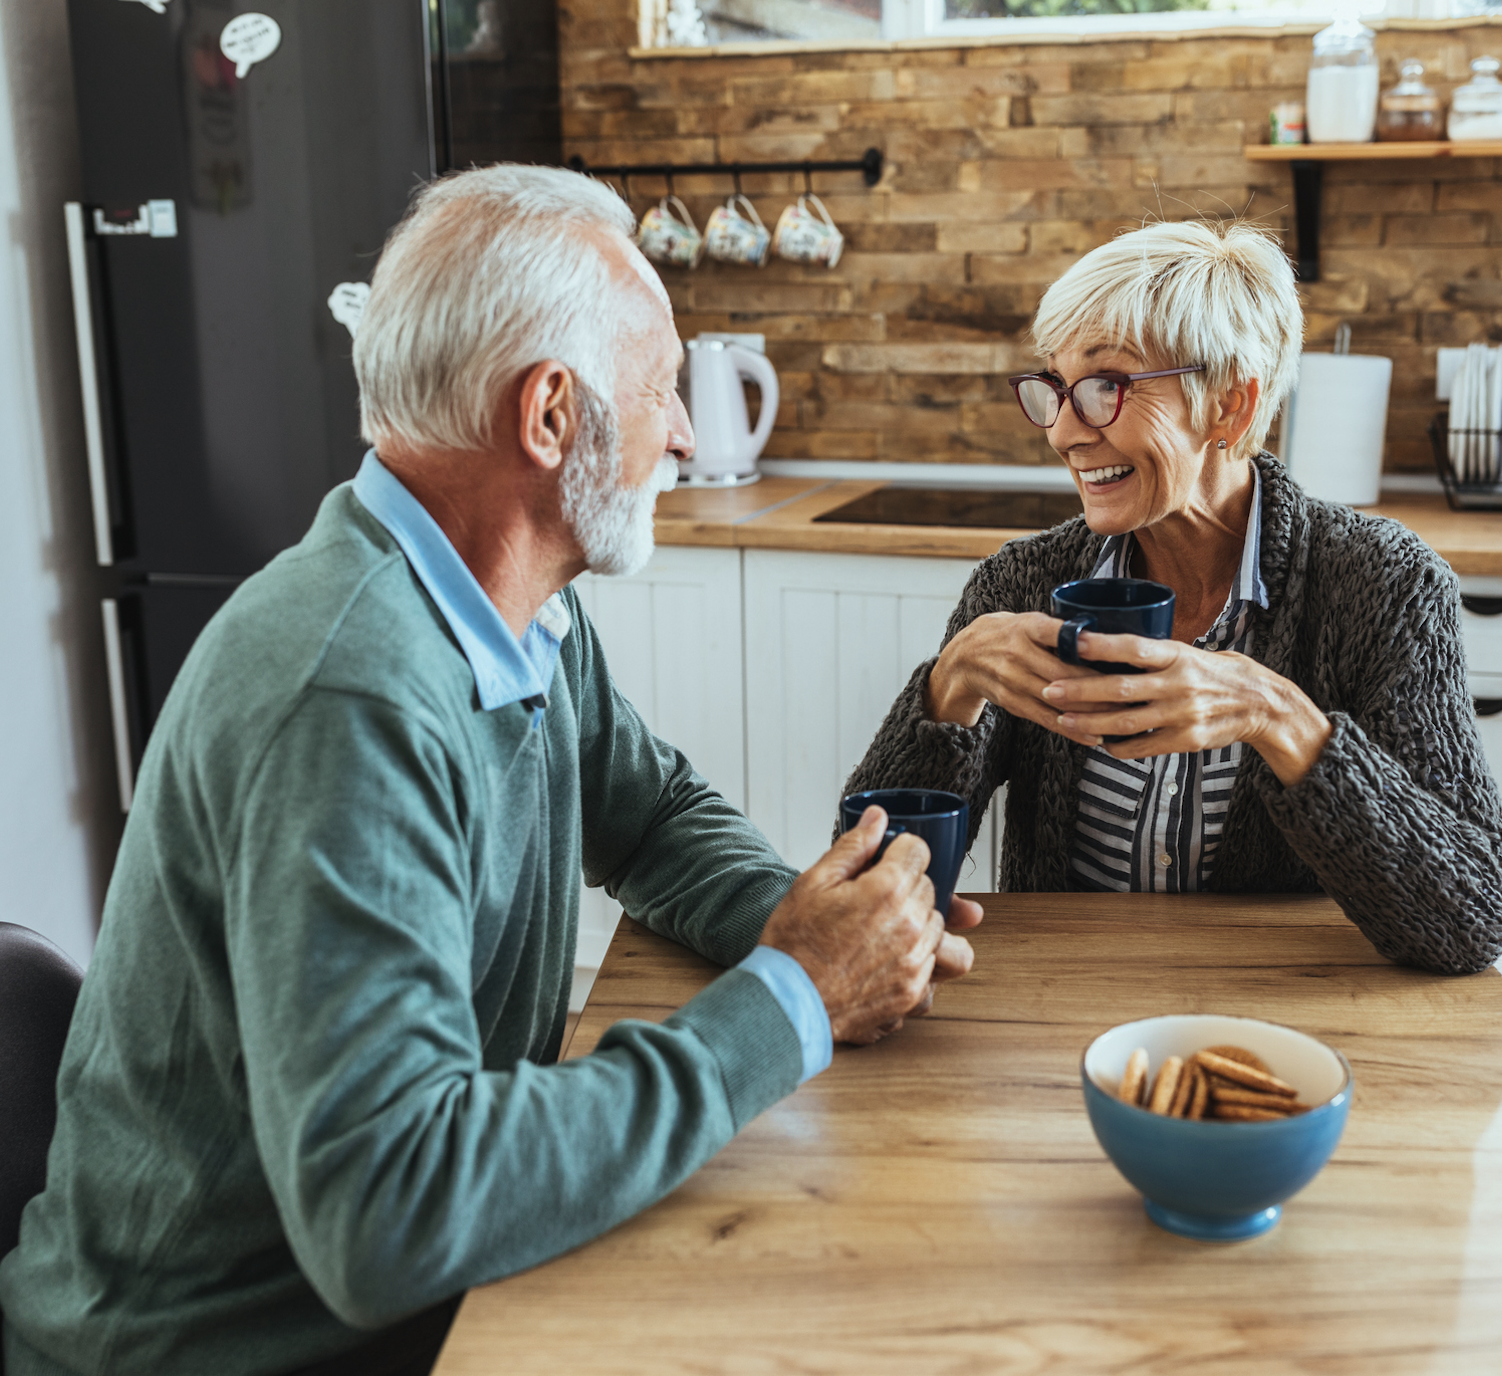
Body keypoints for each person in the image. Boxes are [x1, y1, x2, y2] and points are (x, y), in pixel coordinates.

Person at [0, 165, 981, 1376]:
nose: (680, 430)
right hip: (227, 1343)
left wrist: (812, 920)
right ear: (551, 416)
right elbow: (392, 1207)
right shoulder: (348, 693)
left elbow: (653, 811)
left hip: (394, 1291)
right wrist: (792, 998)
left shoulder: (505, 608)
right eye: (662, 388)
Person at [844, 218, 1502, 976]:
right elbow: (862, 891)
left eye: (1102, 387)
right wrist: (947, 686)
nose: (1063, 432)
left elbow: (1472, 918)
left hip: (1282, 1027)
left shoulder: (1382, 585)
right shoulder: (1020, 585)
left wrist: (1277, 717)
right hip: (1053, 1018)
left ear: (1229, 406)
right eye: (1055, 389)